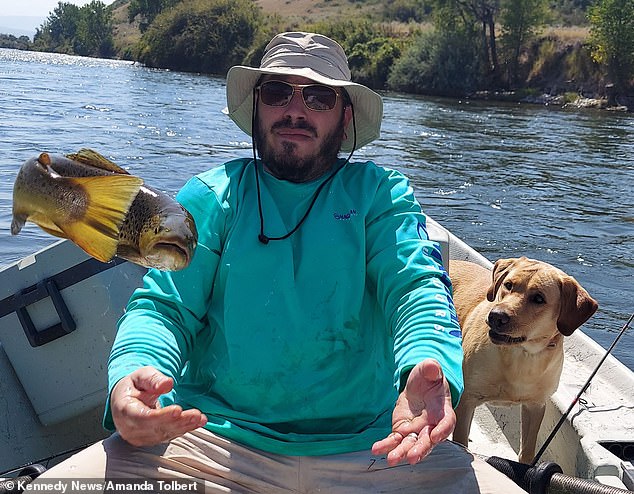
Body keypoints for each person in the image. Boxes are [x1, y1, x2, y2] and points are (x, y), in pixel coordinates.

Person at [35, 31, 526, 493]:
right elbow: (164, 310)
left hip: (375, 448)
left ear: (345, 117)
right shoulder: (212, 197)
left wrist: (430, 363)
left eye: (318, 97)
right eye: (277, 93)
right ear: (256, 108)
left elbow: (415, 290)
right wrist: (131, 377)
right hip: (209, 441)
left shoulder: (382, 196)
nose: (295, 110)